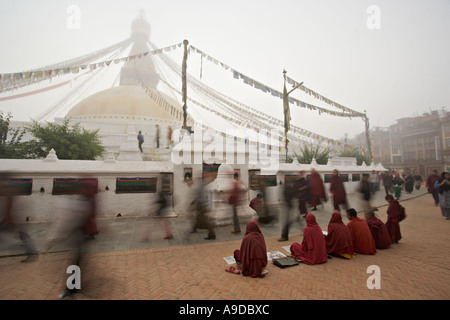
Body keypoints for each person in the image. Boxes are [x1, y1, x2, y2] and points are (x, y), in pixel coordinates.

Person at [0, 175, 38, 263]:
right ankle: (32, 254)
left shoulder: (8, 191)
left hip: (16, 218)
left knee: (23, 235)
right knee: (23, 236)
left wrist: (9, 219)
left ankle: (32, 254)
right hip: (16, 218)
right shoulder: (8, 190)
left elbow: (10, 207)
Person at [189, 172, 216, 240]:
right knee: (198, 218)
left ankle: (212, 233)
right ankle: (194, 228)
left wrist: (205, 205)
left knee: (204, 221)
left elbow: (202, 197)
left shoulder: (201, 187)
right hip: (200, 206)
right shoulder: (202, 186)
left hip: (202, 206)